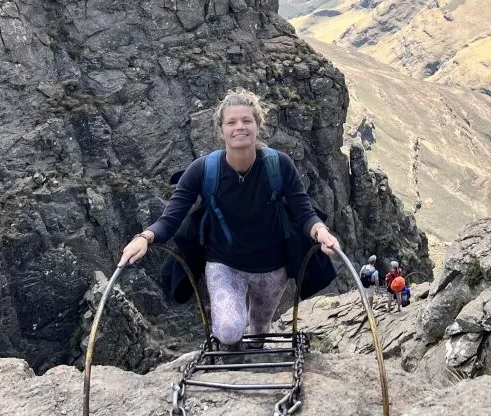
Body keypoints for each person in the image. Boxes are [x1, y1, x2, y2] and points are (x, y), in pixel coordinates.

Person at [119, 89, 341, 354]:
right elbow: (172, 216)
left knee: (259, 331)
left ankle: (249, 366)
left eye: (247, 120)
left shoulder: (279, 165)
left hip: (272, 268)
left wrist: (321, 233)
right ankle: (232, 360)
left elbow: (304, 213)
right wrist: (144, 238)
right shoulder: (203, 170)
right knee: (228, 330)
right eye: (231, 122)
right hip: (224, 265)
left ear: (258, 126)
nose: (240, 127)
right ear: (221, 130)